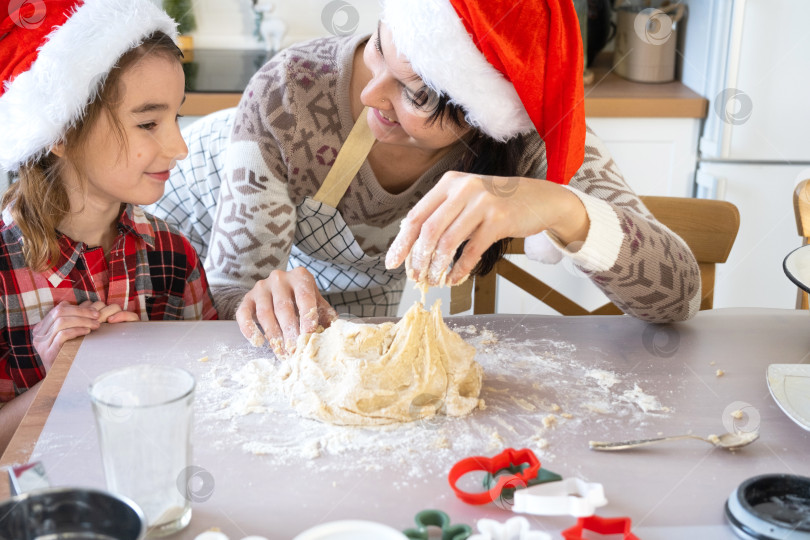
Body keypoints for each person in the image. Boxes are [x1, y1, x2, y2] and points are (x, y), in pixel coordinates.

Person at [151, 0, 701, 356]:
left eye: (413, 93)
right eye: (379, 49)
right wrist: (262, 297)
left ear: (486, 115)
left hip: (354, 298)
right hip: (184, 232)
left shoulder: (535, 133)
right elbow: (232, 292)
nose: (370, 93)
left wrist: (560, 207)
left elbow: (679, 296)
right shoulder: (291, 93)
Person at [0, 0, 218, 449]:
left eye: (175, 117)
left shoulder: (173, 256)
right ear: (61, 131)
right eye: (148, 123)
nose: (179, 146)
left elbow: (212, 401)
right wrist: (61, 382)